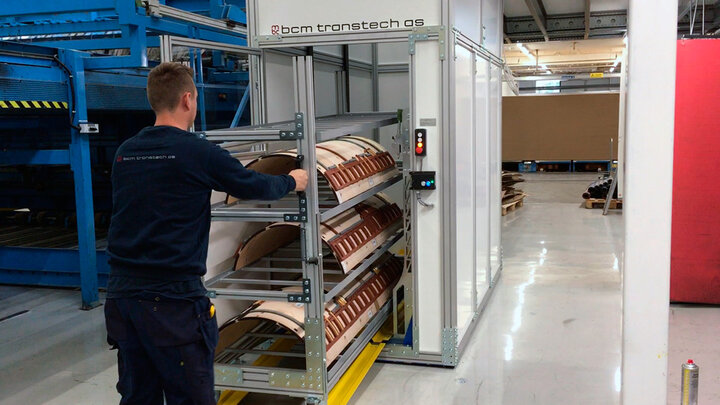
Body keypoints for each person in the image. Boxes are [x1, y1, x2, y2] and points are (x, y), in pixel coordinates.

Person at [104, 62, 308, 405]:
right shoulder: (196, 152)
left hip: (123, 299)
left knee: (138, 396)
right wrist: (293, 181)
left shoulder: (126, 153)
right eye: (195, 99)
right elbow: (253, 184)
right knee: (191, 396)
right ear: (187, 100)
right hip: (172, 302)